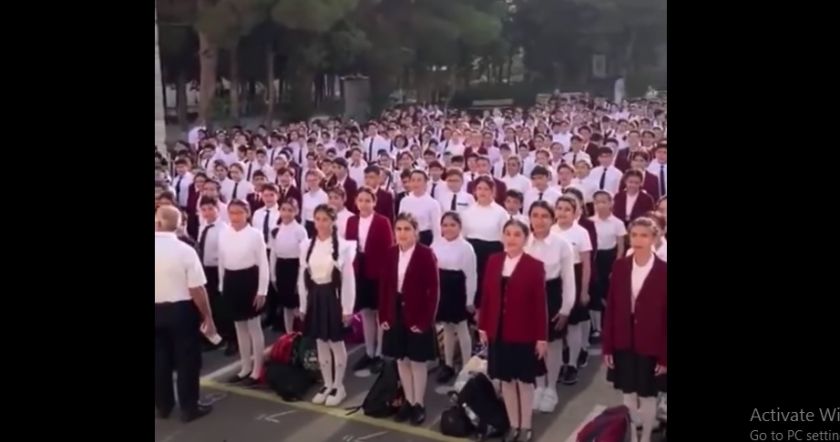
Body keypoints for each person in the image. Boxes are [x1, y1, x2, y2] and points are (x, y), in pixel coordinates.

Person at [478, 219, 547, 442]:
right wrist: (483, 325)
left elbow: (540, 304)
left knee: (524, 382)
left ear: (526, 239)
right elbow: (487, 296)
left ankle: (526, 426)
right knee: (506, 380)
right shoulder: (494, 260)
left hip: (524, 332)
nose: (511, 239)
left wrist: (541, 337)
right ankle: (514, 425)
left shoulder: (534, 265)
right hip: (498, 331)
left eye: (517, 234)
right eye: (508, 234)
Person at [603, 217, 667, 442]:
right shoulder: (620, 266)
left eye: (644, 236)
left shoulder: (663, 271)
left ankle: (646, 437)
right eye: (634, 235)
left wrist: (664, 356)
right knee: (628, 393)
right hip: (624, 338)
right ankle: (631, 437)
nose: (638, 240)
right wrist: (608, 346)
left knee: (648, 394)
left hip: (651, 341)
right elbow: (611, 307)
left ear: (654, 239)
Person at [378, 213, 439, 425]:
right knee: (401, 359)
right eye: (399, 229)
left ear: (416, 232)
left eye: (407, 229)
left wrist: (425, 321)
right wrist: (383, 315)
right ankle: (408, 401)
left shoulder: (425, 254)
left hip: (417, 313)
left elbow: (433, 291)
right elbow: (384, 287)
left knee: (417, 361)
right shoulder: (391, 253)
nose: (402, 233)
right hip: (394, 311)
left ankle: (418, 403)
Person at [155, 206, 215, 422]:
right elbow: (197, 289)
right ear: (179, 225)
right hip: (181, 310)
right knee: (187, 359)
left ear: (157, 223)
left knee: (159, 359)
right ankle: (189, 407)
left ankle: (163, 405)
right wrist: (207, 316)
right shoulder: (185, 250)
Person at [297, 204, 357, 407]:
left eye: (325, 219)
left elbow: (348, 281)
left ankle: (339, 385)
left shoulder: (344, 246)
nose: (321, 224)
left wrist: (347, 308)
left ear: (333, 221)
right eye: (317, 219)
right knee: (320, 341)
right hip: (315, 296)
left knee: (335, 342)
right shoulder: (307, 245)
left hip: (333, 297)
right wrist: (303, 305)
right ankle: (327, 383)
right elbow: (302, 276)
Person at [525, 202, 576, 414]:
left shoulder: (562, 245)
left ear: (552, 218)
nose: (539, 220)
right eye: (535, 215)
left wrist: (565, 309)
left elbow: (569, 280)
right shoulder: (523, 240)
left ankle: (551, 388)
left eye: (544, 216)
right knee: (533, 344)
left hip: (552, 294)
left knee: (552, 345)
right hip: (527, 297)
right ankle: (538, 386)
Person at [218, 200, 270, 386]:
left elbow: (263, 263)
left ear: (247, 214)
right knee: (239, 326)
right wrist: (222, 285)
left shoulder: (255, 235)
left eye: (239, 213)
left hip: (249, 280)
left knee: (253, 326)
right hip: (231, 281)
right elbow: (222, 261)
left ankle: (257, 369)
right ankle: (245, 366)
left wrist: (262, 290)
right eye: (232, 213)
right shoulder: (224, 233)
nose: (235, 217)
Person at [346, 188, 394, 373]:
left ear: (374, 202)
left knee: (380, 314)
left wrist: (387, 274)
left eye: (368, 200)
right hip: (360, 270)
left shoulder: (382, 221)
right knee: (366, 313)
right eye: (361, 200)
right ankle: (369, 351)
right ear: (356, 202)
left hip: (378, 272)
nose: (364, 204)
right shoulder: (352, 221)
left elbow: (389, 250)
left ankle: (380, 353)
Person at [431, 212, 477, 383]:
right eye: (445, 225)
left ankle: (466, 366)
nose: (448, 228)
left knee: (462, 328)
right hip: (442, 289)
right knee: (447, 327)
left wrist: (470, 299)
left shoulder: (466, 248)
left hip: (458, 289)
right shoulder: (436, 244)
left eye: (452, 225)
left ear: (459, 227)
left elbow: (471, 275)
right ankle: (448, 364)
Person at [551, 196, 593, 385]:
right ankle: (559, 363)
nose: (562, 212)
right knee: (558, 326)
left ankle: (572, 364)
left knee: (574, 324)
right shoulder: (551, 230)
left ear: (575, 213)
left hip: (574, 276)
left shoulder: (581, 233)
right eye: (559, 208)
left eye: (567, 209)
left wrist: (584, 290)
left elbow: (586, 264)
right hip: (555, 278)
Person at [461, 176, 509, 311]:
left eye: (486, 189)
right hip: (472, 252)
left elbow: (505, 238)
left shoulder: (501, 213)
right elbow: (463, 236)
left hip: (492, 253)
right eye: (479, 188)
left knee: (489, 285)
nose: (482, 192)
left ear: (492, 191)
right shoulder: (467, 212)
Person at [197, 196, 236, 356]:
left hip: (219, 270)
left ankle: (232, 339)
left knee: (224, 306)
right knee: (210, 305)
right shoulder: (203, 226)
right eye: (203, 209)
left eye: (210, 209)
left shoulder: (224, 229)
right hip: (205, 270)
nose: (207, 213)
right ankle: (215, 338)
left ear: (218, 210)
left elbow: (226, 253)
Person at [589, 190, 627, 342]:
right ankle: (597, 328)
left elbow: (621, 247)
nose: (600, 205)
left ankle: (610, 325)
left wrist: (616, 266)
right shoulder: (590, 222)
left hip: (610, 258)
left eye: (604, 202)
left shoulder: (617, 223)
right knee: (595, 291)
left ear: (611, 203)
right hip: (595, 258)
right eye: (597, 202)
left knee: (609, 292)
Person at [269, 198, 308, 334]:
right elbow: (273, 253)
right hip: (281, 267)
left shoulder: (300, 231)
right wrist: (273, 275)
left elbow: (304, 257)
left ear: (296, 211)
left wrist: (300, 279)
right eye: (283, 210)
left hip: (295, 268)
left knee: (297, 303)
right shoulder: (276, 229)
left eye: (290, 210)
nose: (286, 213)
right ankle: (289, 334)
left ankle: (303, 334)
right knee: (286, 304)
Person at [251, 184, 282, 329]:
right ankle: (267, 313)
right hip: (260, 250)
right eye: (265, 195)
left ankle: (277, 316)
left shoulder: (281, 212)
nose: (268, 198)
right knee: (263, 281)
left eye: (271, 195)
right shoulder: (257, 213)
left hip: (274, 250)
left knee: (274, 281)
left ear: (277, 196)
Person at [397, 170, 442, 246]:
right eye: (413, 180)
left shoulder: (433, 203)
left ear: (425, 183)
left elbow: (436, 229)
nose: (416, 183)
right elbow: (400, 222)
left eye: (419, 180)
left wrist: (436, 245)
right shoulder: (404, 201)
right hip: (407, 237)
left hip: (425, 239)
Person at [302, 169, 329, 237]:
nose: (312, 183)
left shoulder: (324, 196)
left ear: (319, 180)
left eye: (314, 180)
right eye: (309, 180)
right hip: (307, 225)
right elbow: (303, 214)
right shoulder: (305, 196)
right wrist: (302, 227)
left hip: (319, 226)